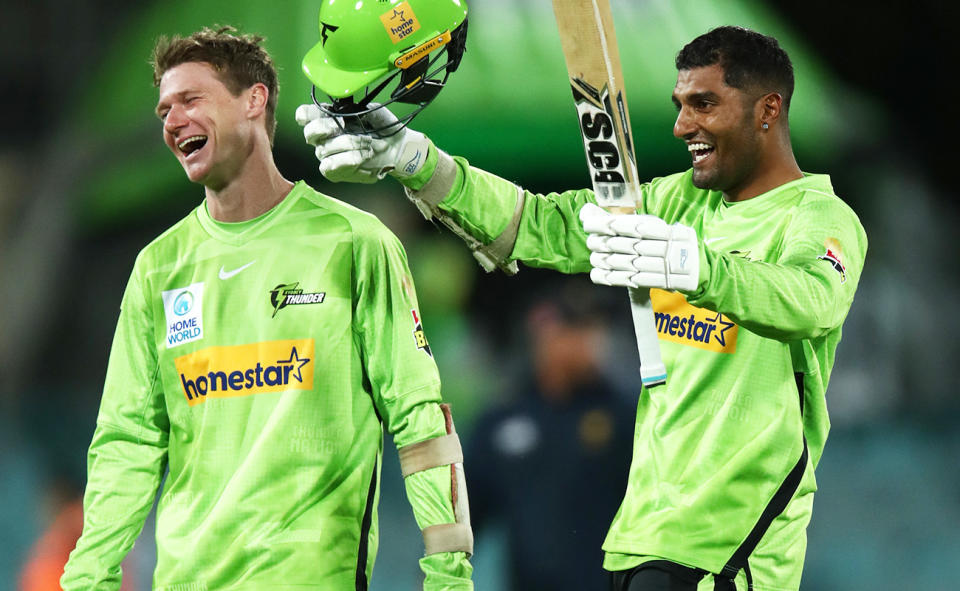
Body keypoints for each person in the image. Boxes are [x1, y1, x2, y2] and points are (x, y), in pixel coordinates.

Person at [297, 25, 868, 591]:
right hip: (637, 539)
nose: (681, 126)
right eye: (679, 105)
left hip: (730, 549)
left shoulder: (819, 218)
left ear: (767, 110)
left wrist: (696, 267)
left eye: (704, 104)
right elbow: (539, 226)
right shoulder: (674, 201)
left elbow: (810, 300)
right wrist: (416, 159)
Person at [60, 25, 473, 590]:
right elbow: (126, 442)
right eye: (163, 111)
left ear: (254, 101)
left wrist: (449, 574)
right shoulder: (159, 267)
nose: (172, 121)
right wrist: (88, 580)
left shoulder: (353, 243)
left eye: (189, 100)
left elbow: (420, 419)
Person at [467, 280, 635, 591]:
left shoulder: (626, 417)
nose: (589, 340)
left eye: (594, 327)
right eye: (574, 327)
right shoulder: (503, 419)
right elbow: (466, 517)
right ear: (541, 328)